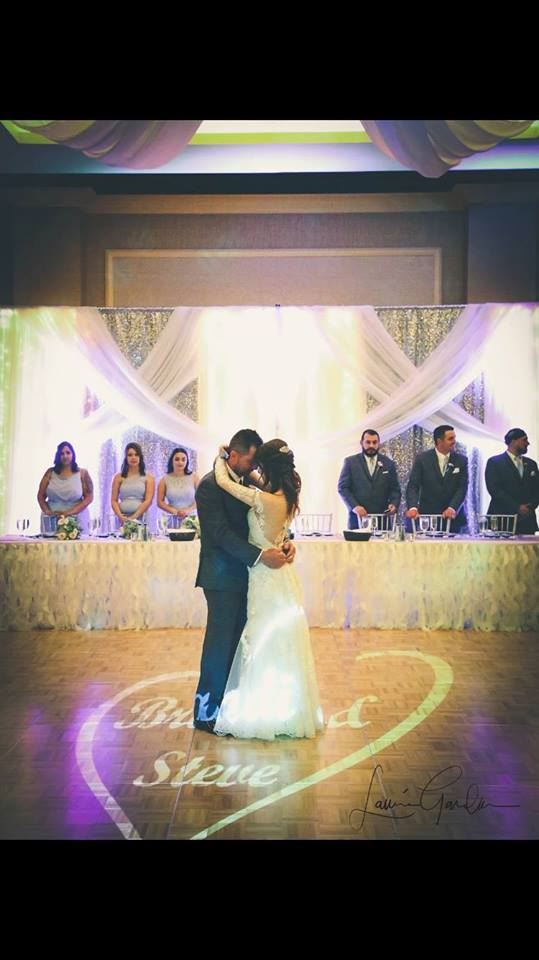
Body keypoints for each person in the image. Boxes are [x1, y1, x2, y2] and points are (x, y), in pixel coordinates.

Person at [211, 437, 324, 741]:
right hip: (281, 576)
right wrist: (286, 544)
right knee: (278, 639)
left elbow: (224, 482)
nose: (256, 471)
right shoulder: (285, 496)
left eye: (259, 466)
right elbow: (277, 528)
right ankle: (285, 707)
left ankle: (262, 710)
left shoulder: (265, 500)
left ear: (268, 468)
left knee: (261, 637)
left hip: (265, 575)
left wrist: (222, 457)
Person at [193, 429, 296, 733]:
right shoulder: (209, 486)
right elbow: (220, 534)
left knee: (239, 645)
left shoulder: (247, 481)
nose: (254, 467)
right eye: (251, 461)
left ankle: (230, 709)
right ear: (234, 455)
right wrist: (260, 555)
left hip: (248, 576)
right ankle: (205, 715)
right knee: (219, 645)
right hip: (221, 577)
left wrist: (284, 542)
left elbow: (269, 517)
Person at [405, 425, 468, 532]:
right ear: (439, 441)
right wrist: (413, 507)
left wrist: (452, 508)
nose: (454, 441)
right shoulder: (422, 459)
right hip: (428, 518)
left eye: (454, 438)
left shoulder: (461, 460)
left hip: (453, 519)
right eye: (450, 439)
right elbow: (413, 486)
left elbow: (462, 488)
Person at [338, 428, 401, 529]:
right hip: (357, 520)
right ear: (361, 443)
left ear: (379, 444)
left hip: (382, 521)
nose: (371, 445)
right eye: (368, 442)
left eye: (374, 442)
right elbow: (343, 488)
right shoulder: (350, 462)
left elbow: (395, 490)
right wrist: (354, 506)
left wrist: (394, 504)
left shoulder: (388, 464)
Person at [485, 428, 539, 534]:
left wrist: (530, 506)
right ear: (513, 441)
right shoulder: (495, 462)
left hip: (526, 520)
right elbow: (494, 489)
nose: (528, 443)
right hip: (502, 518)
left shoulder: (531, 464)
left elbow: (537, 488)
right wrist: (517, 507)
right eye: (524, 440)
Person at [37, 441, 93, 534]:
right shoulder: (50, 472)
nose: (65, 456)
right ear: (58, 456)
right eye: (62, 453)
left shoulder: (82, 473)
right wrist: (47, 512)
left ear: (73, 454)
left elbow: (89, 497)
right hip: (52, 520)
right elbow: (40, 496)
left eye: (68, 453)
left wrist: (69, 513)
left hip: (76, 519)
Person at [111, 442, 155, 523]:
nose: (133, 457)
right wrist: (120, 516)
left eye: (136, 454)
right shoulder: (118, 477)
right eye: (130, 455)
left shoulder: (149, 478)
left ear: (140, 457)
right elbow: (114, 500)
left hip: (141, 518)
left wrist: (133, 518)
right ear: (126, 457)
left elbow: (148, 501)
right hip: (122, 519)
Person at [157, 447, 199, 526]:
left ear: (187, 461)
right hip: (172, 520)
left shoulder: (194, 478)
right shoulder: (164, 480)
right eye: (177, 459)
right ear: (172, 461)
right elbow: (160, 502)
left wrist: (188, 511)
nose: (180, 462)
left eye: (183, 459)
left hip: (191, 520)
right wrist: (175, 511)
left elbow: (200, 499)